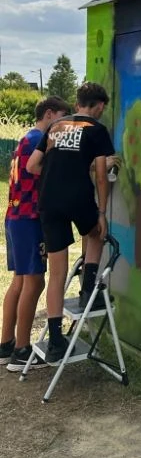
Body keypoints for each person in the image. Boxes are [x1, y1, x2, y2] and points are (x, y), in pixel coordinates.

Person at [27, 81, 115, 363]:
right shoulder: (97, 130)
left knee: (57, 273)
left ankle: (55, 341)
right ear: (99, 106)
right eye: (102, 108)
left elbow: (32, 165)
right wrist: (102, 212)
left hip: (49, 200)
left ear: (78, 102)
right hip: (77, 197)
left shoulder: (56, 126)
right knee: (96, 232)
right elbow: (101, 175)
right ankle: (88, 289)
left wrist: (59, 168)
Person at [1, 96, 71, 371]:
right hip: (29, 219)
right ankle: (22, 351)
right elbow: (50, 171)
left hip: (15, 216)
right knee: (34, 283)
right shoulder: (38, 141)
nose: (64, 125)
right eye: (63, 118)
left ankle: (6, 344)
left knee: (20, 281)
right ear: (49, 114)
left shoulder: (26, 138)